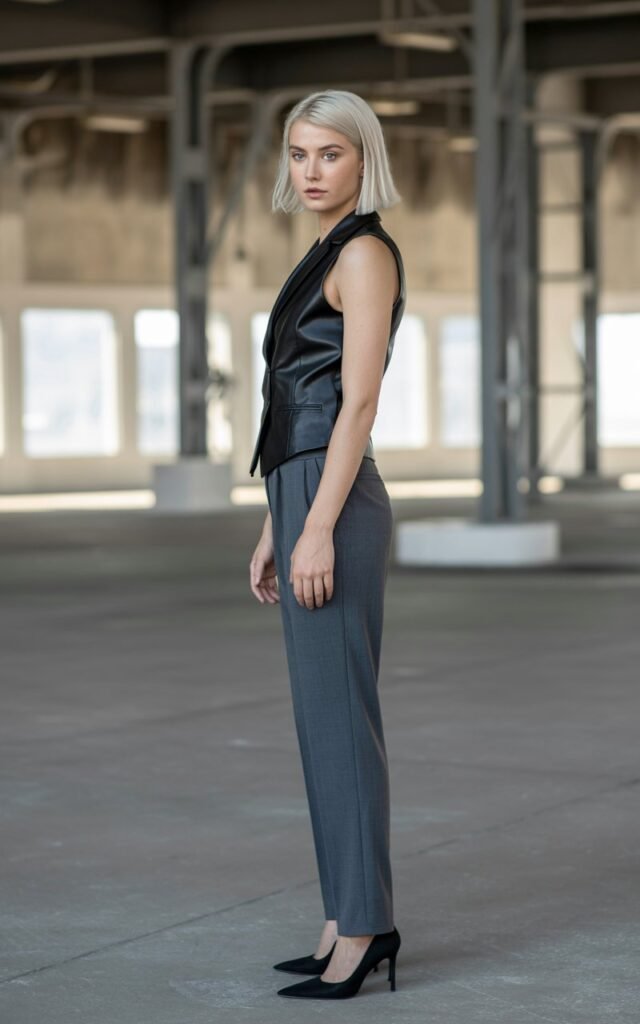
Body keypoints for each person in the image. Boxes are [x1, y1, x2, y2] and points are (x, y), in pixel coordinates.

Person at [248, 89, 406, 1000]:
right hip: (302, 489)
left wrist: (313, 526)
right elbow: (291, 403)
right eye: (300, 155)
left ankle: (367, 928)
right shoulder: (321, 253)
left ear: (363, 160)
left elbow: (357, 403)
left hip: (334, 499)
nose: (312, 172)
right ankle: (340, 916)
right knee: (322, 724)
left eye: (330, 155)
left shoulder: (364, 252)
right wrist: (275, 520)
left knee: (345, 721)